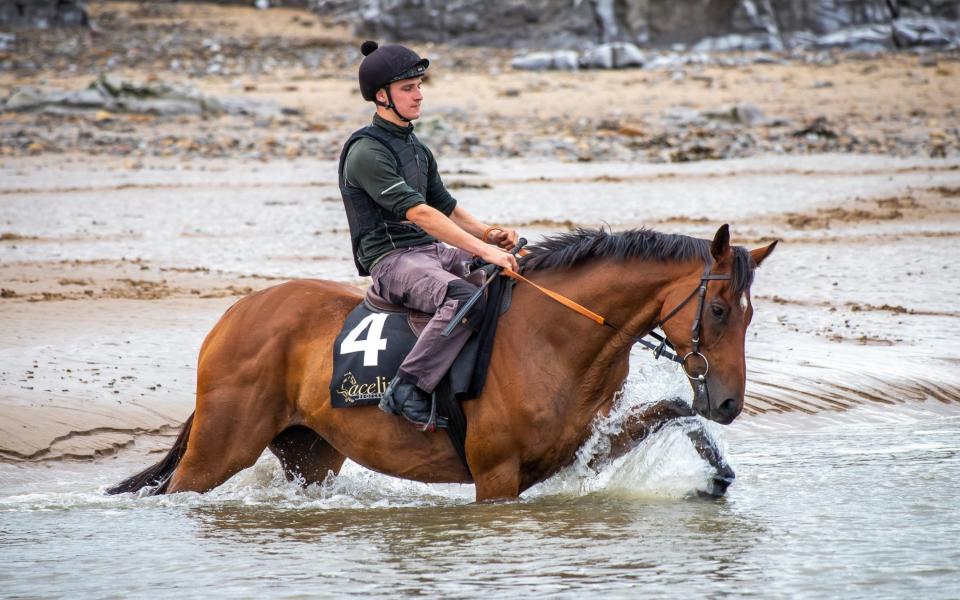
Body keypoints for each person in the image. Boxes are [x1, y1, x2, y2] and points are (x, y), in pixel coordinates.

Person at [338, 40, 519, 430]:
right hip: (392, 260)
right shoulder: (366, 152)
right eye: (408, 88)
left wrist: (490, 234)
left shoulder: (415, 147)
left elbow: (446, 206)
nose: (418, 95)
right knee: (463, 295)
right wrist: (481, 250)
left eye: (419, 85)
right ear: (381, 97)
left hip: (431, 250)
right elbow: (420, 213)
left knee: (517, 272)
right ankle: (408, 388)